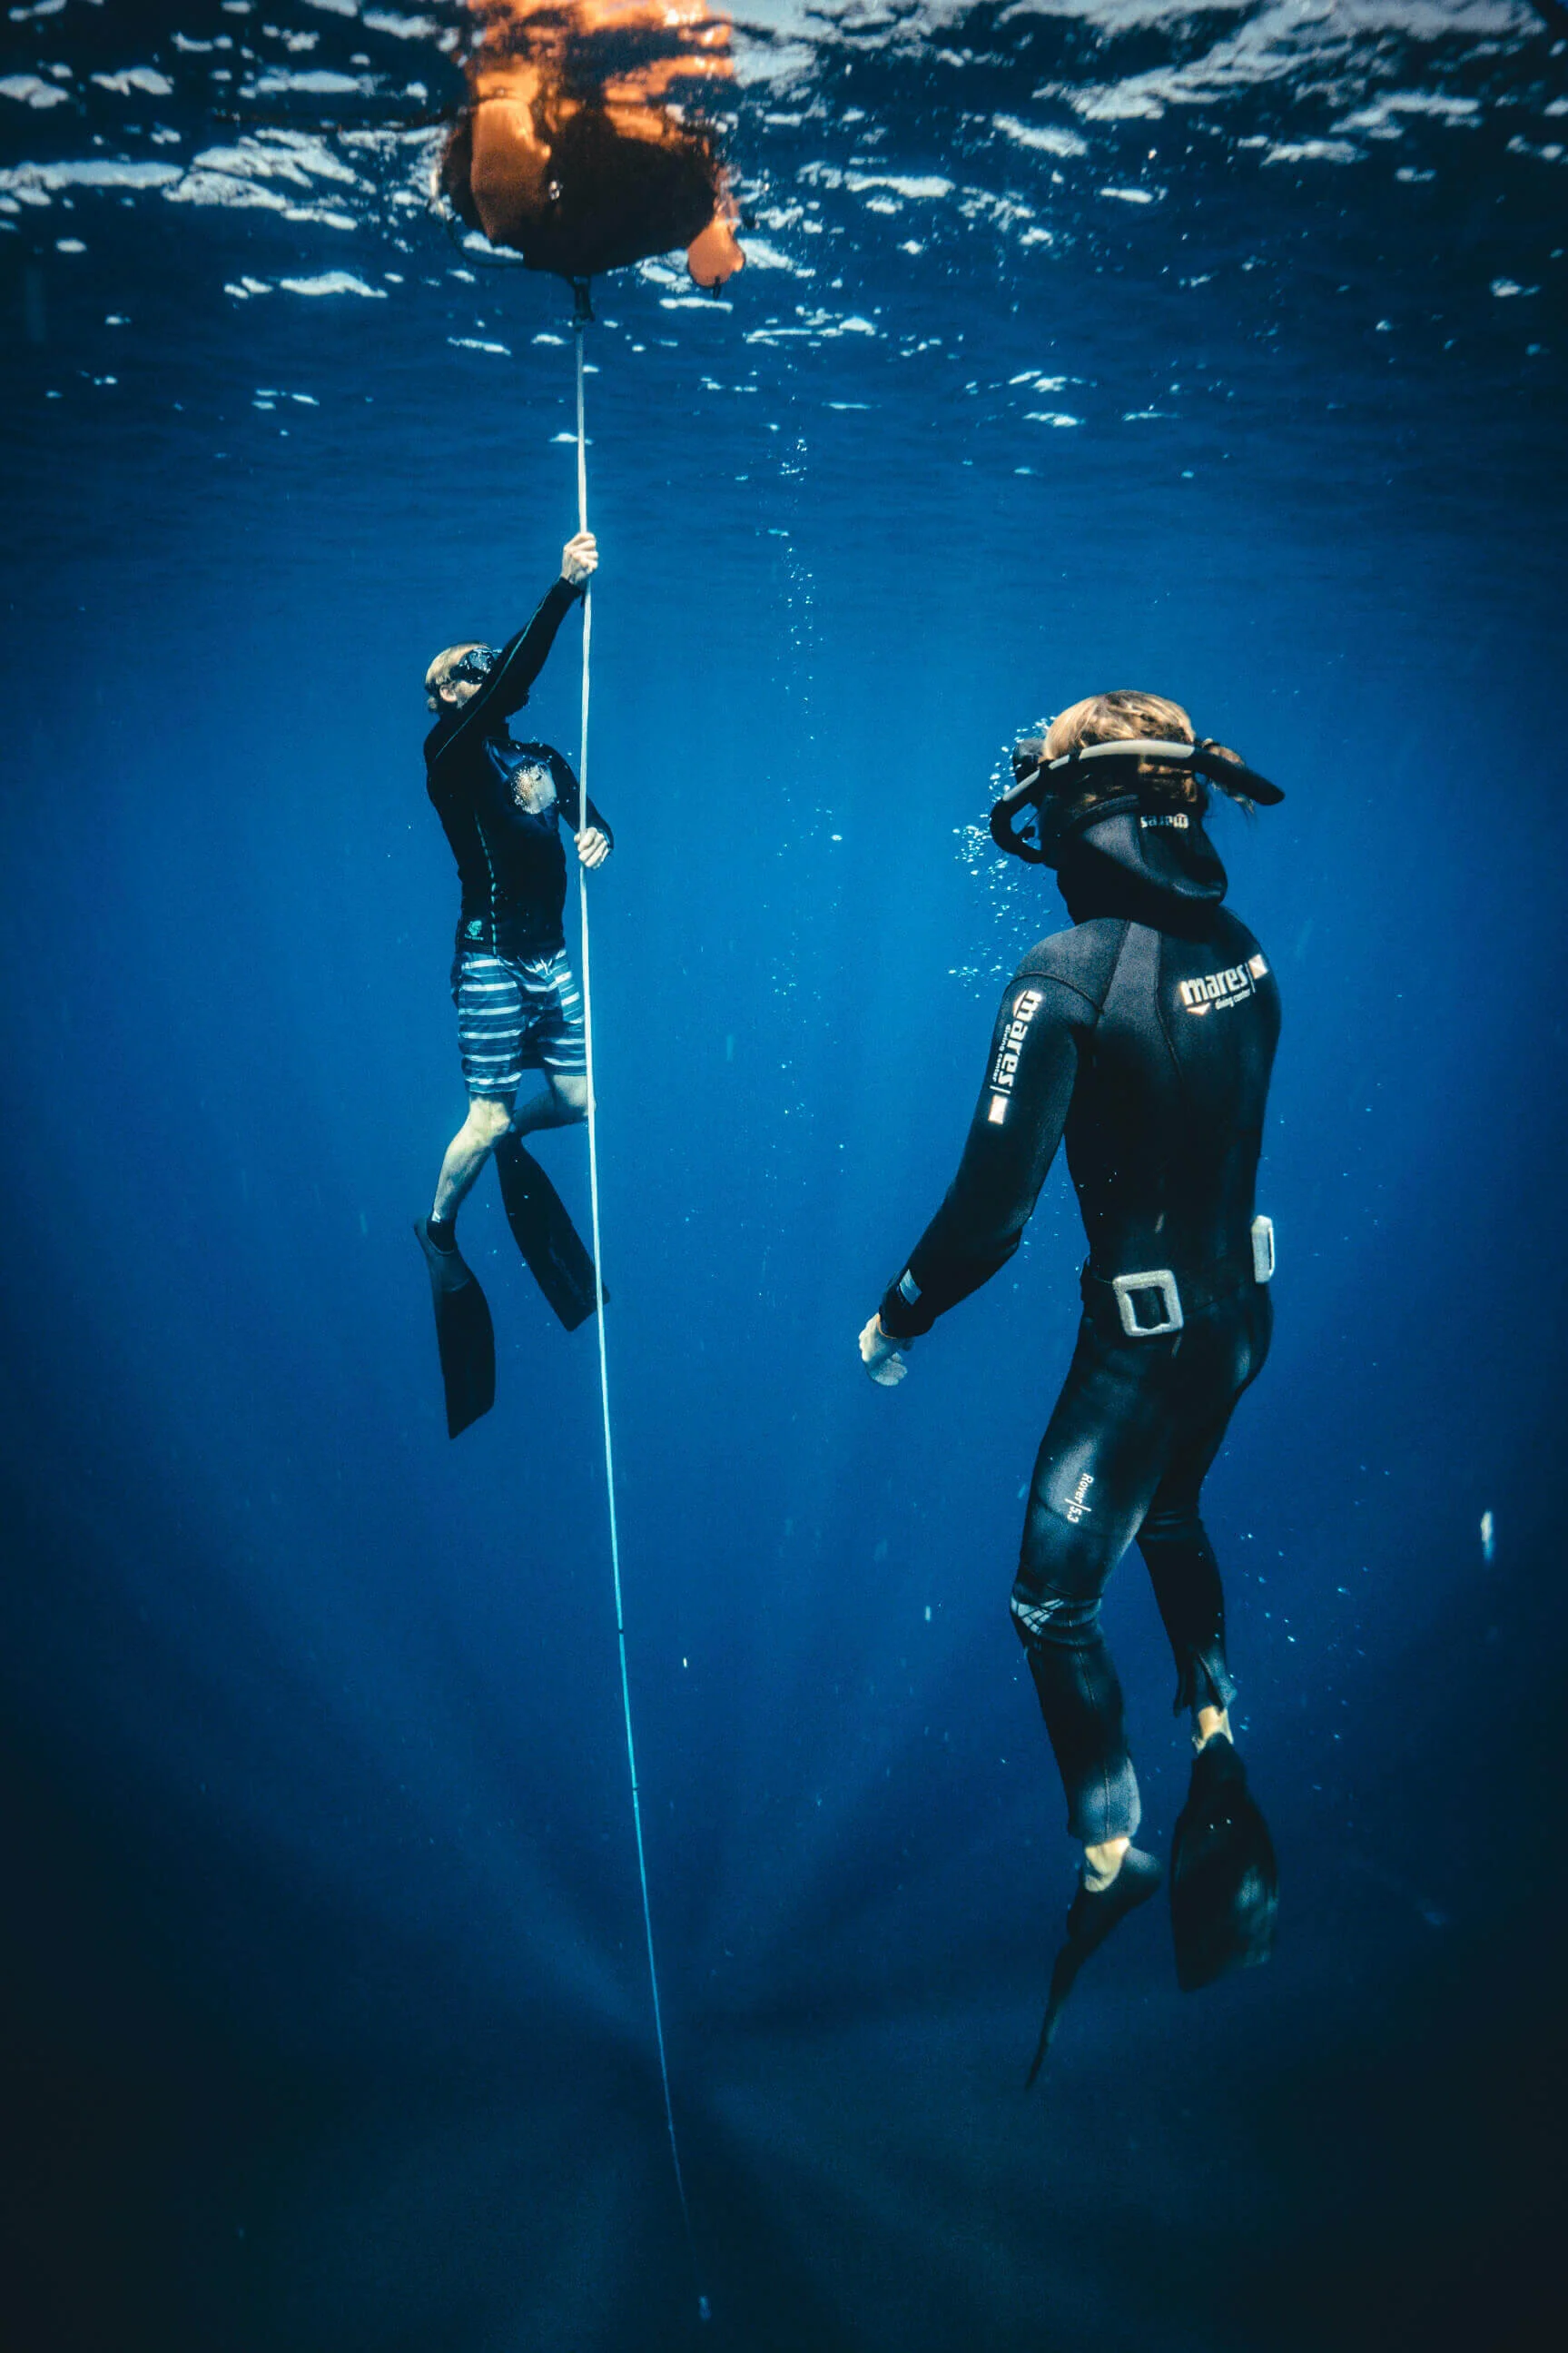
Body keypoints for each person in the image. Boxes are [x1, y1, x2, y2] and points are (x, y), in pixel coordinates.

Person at [858, 691, 1287, 2074]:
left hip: (1143, 1346)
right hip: (1238, 1325)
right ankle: (1214, 1716)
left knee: (1049, 1599)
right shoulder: (1241, 946)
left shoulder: (1059, 974)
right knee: (1168, 1510)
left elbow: (991, 1215)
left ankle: (1112, 1846)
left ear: (1078, 813)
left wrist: (897, 1313)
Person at [414, 529, 611, 1438]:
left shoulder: (526, 753)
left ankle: (500, 1139)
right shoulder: (450, 750)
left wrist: (595, 830)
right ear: (446, 697)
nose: (481, 670)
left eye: (479, 666)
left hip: (550, 959)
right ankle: (438, 1233)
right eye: (468, 670)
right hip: (490, 956)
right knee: (487, 1114)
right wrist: (562, 590)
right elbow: (516, 678)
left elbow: (576, 801)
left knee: (575, 1103)